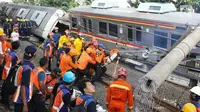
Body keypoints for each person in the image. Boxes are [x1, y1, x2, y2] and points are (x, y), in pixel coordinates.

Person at [13, 45, 37, 112]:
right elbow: (23, 87)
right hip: (21, 100)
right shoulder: (27, 69)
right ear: (34, 55)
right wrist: (25, 105)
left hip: (19, 97)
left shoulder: (22, 63)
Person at [1, 41, 20, 109]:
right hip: (9, 72)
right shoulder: (14, 56)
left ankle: (2, 97)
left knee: (4, 84)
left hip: (5, 70)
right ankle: (5, 101)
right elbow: (14, 65)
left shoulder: (9, 53)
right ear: (17, 48)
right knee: (7, 86)